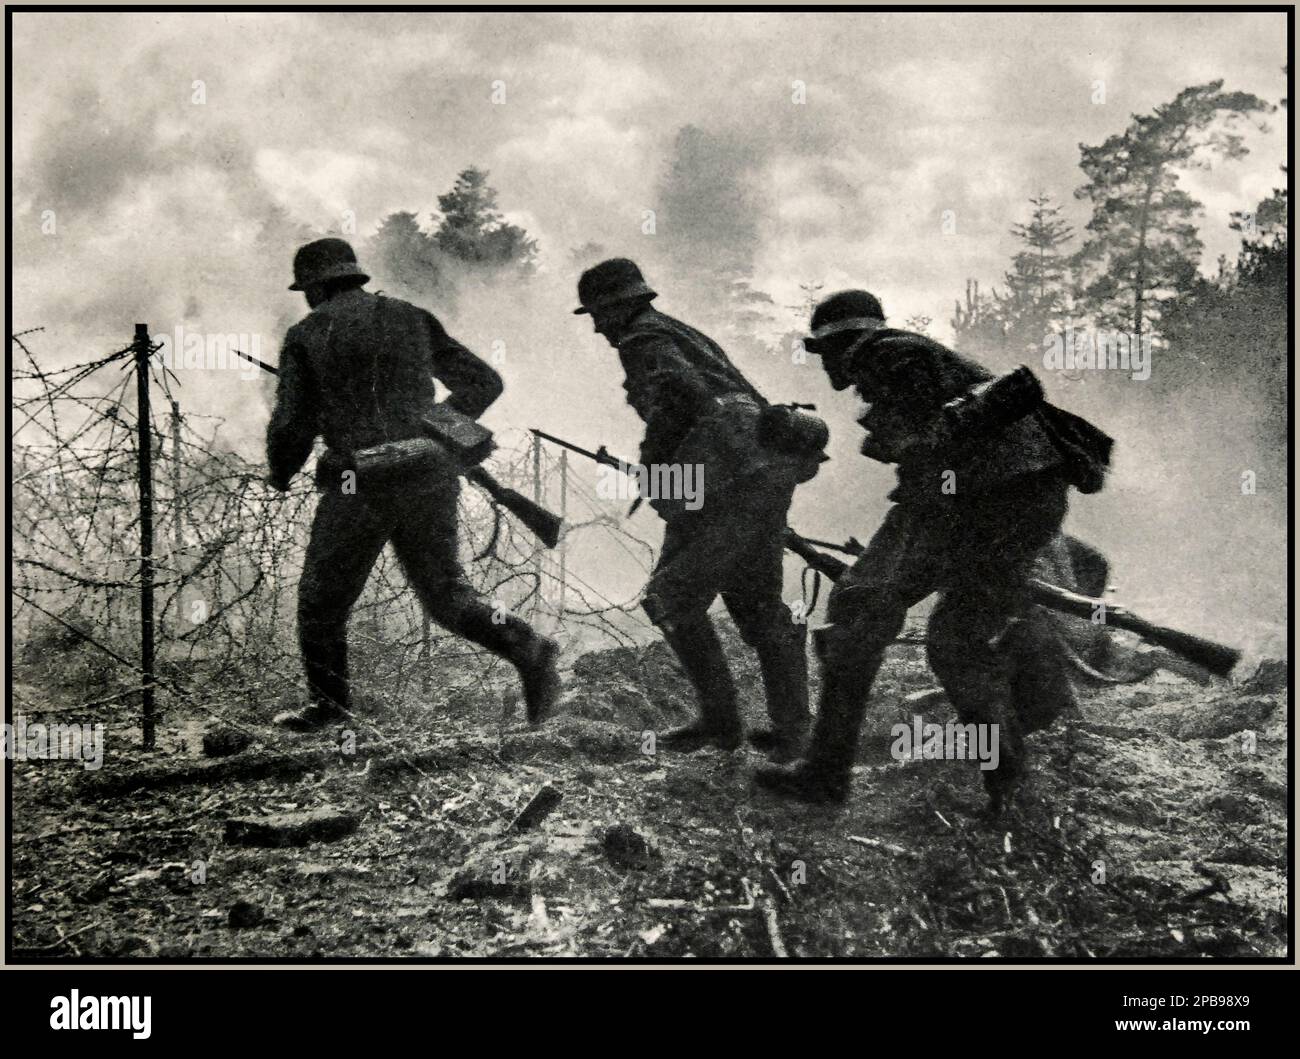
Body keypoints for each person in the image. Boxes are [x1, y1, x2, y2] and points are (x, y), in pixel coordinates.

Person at [756, 290, 1111, 809]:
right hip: (1021, 503)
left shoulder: (883, 353)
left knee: (857, 610)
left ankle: (826, 774)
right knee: (957, 643)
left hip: (971, 502)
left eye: (824, 351)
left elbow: (935, 441)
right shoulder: (916, 355)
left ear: (840, 343)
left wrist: (895, 447)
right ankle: (1010, 792)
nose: (828, 365)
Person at [267, 237, 560, 731]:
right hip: (429, 473)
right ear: (355, 275)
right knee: (448, 597)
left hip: (358, 483)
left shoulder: (306, 334)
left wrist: (281, 470)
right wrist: (434, 427)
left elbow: (292, 423)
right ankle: (528, 647)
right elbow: (484, 382)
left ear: (315, 287)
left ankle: (329, 709)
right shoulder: (412, 317)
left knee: (321, 601)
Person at [575, 258, 818, 761]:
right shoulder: (682, 333)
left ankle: (724, 725)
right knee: (756, 606)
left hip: (724, 481)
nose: (598, 328)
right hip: (751, 474)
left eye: (598, 314)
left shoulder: (642, 340)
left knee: (670, 597)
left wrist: (655, 466)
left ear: (614, 308)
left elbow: (674, 399)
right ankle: (791, 732)